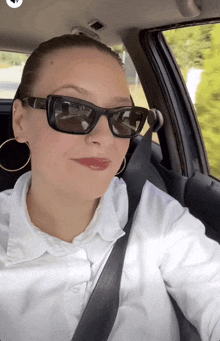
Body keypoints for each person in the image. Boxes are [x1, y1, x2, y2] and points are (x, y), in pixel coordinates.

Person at [0, 34, 220, 341]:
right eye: (71, 111)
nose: (105, 137)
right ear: (21, 120)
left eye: (122, 117)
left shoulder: (157, 217)